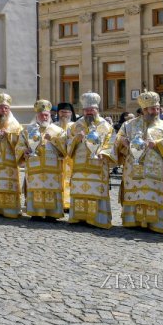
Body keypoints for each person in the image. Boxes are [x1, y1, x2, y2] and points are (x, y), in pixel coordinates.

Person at [113, 92, 163, 233]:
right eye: (153, 109)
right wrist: (123, 141)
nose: (156, 111)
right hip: (133, 166)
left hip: (156, 167)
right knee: (135, 192)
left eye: (158, 108)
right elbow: (119, 137)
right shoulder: (129, 124)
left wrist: (157, 143)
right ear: (144, 110)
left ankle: (154, 224)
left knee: (152, 193)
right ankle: (133, 221)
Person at [64, 92, 115, 229]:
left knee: (97, 191)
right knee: (80, 191)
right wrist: (76, 139)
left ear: (97, 110)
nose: (89, 112)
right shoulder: (75, 126)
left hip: (98, 165)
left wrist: (104, 153)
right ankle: (79, 217)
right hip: (80, 166)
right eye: (86, 110)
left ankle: (97, 219)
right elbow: (67, 143)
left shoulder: (106, 126)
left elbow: (111, 143)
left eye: (91, 109)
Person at [22, 100, 68, 219]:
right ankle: (35, 213)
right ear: (37, 116)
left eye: (46, 115)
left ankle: (52, 214)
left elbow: (65, 149)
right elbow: (20, 145)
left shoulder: (58, 130)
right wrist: (24, 151)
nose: (44, 117)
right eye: (41, 115)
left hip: (52, 168)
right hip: (35, 167)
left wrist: (53, 139)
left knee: (51, 189)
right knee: (35, 188)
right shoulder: (28, 130)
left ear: (50, 115)